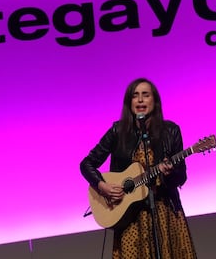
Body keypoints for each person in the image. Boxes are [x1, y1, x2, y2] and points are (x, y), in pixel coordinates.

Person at [80, 78, 197, 259]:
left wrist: (170, 173)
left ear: (155, 101)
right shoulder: (117, 132)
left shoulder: (171, 131)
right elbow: (86, 164)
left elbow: (181, 177)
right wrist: (102, 186)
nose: (140, 100)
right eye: (135, 96)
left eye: (145, 95)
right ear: (129, 103)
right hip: (129, 219)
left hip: (165, 213)